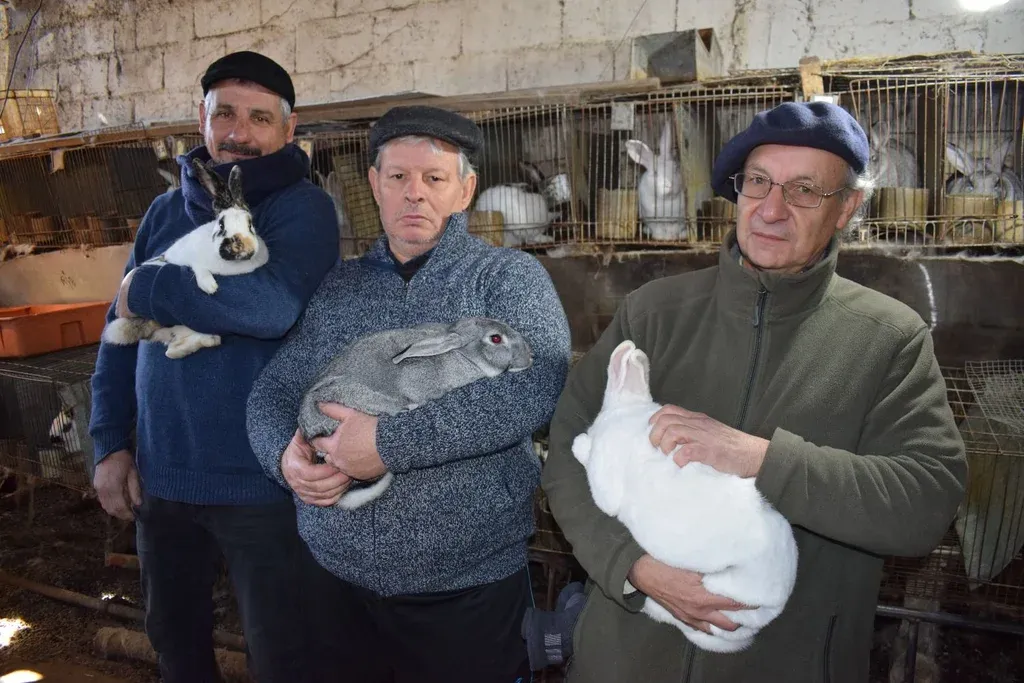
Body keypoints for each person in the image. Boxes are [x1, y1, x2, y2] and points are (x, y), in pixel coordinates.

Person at [538, 101, 968, 683]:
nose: (771, 209)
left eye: (805, 190)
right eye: (759, 182)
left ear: (847, 207)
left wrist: (761, 459)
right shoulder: (654, 313)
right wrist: (629, 566)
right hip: (624, 660)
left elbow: (926, 502)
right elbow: (568, 450)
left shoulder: (888, 338)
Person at [246, 104, 572, 682]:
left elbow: (534, 383)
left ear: (465, 191)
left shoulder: (507, 278)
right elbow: (275, 387)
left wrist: (386, 444)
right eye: (398, 176)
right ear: (375, 185)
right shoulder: (339, 289)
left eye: (434, 178)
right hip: (334, 579)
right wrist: (283, 457)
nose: (414, 193)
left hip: (466, 585)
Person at [89, 51, 340, 683]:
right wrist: (111, 442)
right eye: (224, 113)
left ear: (289, 128)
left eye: (260, 118)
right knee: (176, 646)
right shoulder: (163, 212)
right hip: (164, 476)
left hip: (262, 482)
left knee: (283, 654)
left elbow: (271, 306)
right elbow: (118, 337)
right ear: (200, 119)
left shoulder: (301, 209)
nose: (239, 133)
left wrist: (150, 289)